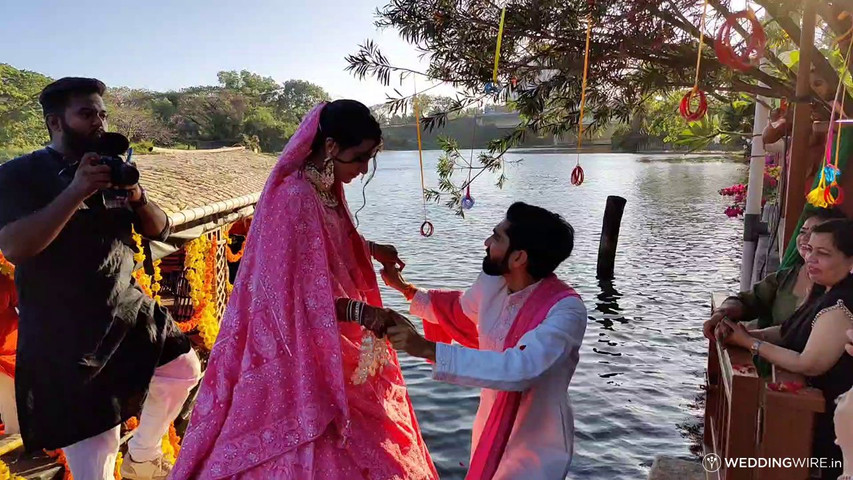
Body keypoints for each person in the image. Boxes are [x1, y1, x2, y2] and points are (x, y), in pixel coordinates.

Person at [171, 100, 438, 479]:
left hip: (332, 334)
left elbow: (328, 247)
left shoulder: (325, 187)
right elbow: (292, 295)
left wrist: (373, 250)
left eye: (370, 158)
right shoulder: (295, 197)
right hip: (295, 345)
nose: (363, 169)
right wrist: (364, 313)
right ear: (330, 147)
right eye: (360, 157)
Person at [0, 77, 202, 480]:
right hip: (66, 328)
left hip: (126, 308)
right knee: (98, 448)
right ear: (56, 123)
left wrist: (138, 196)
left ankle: (143, 459)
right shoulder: (19, 174)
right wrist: (76, 191)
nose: (99, 123)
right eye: (87, 114)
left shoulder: (110, 167)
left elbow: (160, 230)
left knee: (183, 369)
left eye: (102, 114)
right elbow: (15, 248)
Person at [381, 202, 587, 480]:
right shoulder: (494, 283)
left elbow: (522, 368)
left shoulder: (566, 311)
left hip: (536, 441)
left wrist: (426, 348)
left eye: (497, 237)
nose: (487, 242)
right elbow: (459, 312)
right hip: (490, 421)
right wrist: (404, 288)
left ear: (518, 258)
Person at [718, 219, 853, 480]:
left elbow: (808, 363)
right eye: (810, 249)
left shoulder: (843, 303)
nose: (810, 258)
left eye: (823, 254)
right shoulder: (824, 290)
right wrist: (748, 334)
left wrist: (750, 344)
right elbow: (788, 330)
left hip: (829, 423)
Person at [703, 208, 846, 339]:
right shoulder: (786, 276)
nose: (805, 238)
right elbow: (748, 300)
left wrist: (749, 339)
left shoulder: (841, 292)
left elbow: (799, 341)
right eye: (802, 232)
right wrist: (721, 313)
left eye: (816, 233)